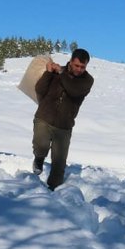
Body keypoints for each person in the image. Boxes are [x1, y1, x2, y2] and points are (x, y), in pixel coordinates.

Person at [32, 49, 94, 190]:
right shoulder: (57, 71)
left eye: (82, 67)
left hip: (64, 125)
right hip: (44, 117)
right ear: (71, 62)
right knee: (40, 145)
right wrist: (48, 73)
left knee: (59, 164)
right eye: (76, 65)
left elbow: (74, 90)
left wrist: (60, 72)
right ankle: (39, 159)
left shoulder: (87, 80)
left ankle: (53, 192)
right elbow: (40, 90)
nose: (79, 69)